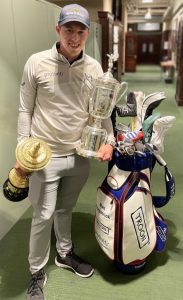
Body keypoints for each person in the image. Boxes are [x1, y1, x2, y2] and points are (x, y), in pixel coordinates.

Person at [14, 4, 115, 300]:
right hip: (45, 156)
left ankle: (64, 253)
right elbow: (25, 109)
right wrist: (23, 150)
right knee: (42, 214)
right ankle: (36, 272)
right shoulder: (36, 62)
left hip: (80, 155)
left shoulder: (94, 68)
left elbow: (103, 109)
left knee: (65, 209)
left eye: (80, 30)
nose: (74, 36)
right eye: (68, 29)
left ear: (87, 32)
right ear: (58, 30)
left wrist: (108, 138)